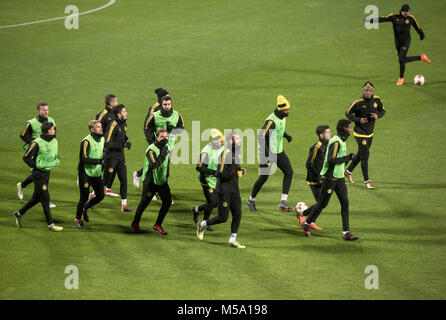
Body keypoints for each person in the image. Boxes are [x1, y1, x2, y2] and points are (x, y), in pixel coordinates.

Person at [299, 119, 358, 241]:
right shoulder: (336, 142)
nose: (350, 130)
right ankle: (307, 224)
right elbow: (331, 160)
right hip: (330, 178)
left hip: (339, 177)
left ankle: (345, 232)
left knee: (345, 203)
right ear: (343, 129)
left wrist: (347, 160)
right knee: (322, 204)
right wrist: (347, 157)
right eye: (349, 128)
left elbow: (338, 160)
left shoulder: (341, 141)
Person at [197, 131, 247, 248]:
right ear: (231, 141)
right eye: (238, 139)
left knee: (238, 214)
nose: (240, 141)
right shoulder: (225, 154)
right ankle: (202, 224)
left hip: (234, 189)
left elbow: (234, 168)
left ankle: (232, 240)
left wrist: (240, 170)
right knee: (223, 218)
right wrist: (235, 173)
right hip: (224, 190)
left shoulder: (237, 152)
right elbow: (220, 173)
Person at [246, 95, 294, 212]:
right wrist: (267, 154)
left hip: (278, 151)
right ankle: (251, 200)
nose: (288, 112)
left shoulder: (282, 117)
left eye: (288, 109)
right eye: (286, 110)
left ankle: (283, 201)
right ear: (280, 110)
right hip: (266, 152)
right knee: (263, 177)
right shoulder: (271, 121)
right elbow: (260, 136)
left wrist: (286, 136)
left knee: (289, 172)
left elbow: (279, 129)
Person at [13, 122, 63, 231]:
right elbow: (26, 157)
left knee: (36, 198)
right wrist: (35, 166)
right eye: (53, 129)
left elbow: (54, 153)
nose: (55, 130)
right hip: (38, 174)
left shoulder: (54, 140)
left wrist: (56, 159)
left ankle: (19, 213)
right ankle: (51, 225)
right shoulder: (36, 143)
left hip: (47, 172)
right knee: (46, 198)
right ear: (48, 131)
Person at [365, 4, 431, 86]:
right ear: (401, 11)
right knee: (401, 60)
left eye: (408, 12)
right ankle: (420, 59)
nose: (406, 14)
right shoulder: (394, 16)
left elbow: (417, 27)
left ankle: (402, 77)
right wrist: (371, 20)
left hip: (406, 41)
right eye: (405, 13)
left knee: (401, 59)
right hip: (397, 42)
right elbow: (383, 19)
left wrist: (421, 35)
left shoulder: (410, 18)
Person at [344, 82, 385, 189]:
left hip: (370, 133)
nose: (368, 92)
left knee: (361, 153)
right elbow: (347, 113)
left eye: (370, 90)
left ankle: (348, 171)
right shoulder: (357, 102)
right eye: (366, 90)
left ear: (373, 92)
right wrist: (358, 120)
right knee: (365, 156)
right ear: (363, 91)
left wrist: (377, 115)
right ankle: (367, 182)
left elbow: (383, 110)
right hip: (359, 133)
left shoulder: (377, 100)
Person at [131, 128, 172, 235]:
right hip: (150, 182)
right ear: (157, 137)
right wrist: (163, 154)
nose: (164, 138)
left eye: (166, 136)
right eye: (162, 137)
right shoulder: (151, 150)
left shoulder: (165, 147)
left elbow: (165, 165)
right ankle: (135, 222)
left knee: (167, 202)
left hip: (161, 181)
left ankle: (158, 224)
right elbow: (154, 165)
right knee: (144, 204)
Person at [17, 101, 57, 208]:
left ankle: (22, 185)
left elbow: (54, 135)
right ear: (38, 111)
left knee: (39, 175)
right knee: (40, 176)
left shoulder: (52, 121)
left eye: (47, 110)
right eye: (43, 110)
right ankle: (45, 200)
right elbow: (23, 136)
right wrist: (34, 141)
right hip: (35, 152)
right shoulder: (30, 123)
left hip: (46, 152)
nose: (46, 112)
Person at [133, 88, 169, 188]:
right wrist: (152, 141)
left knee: (159, 162)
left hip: (164, 139)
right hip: (156, 140)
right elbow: (147, 126)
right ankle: (150, 187)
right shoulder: (154, 108)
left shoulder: (166, 106)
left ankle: (138, 174)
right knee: (155, 163)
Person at [296, 125, 331, 229]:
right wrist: (318, 178)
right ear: (321, 135)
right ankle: (303, 214)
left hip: (324, 178)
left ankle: (309, 220)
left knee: (322, 203)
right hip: (314, 180)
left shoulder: (328, 144)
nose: (330, 134)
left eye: (330, 132)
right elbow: (309, 164)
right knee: (321, 203)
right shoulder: (317, 147)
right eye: (327, 132)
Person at [74, 120, 106, 228]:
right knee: (83, 198)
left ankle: (85, 208)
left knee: (101, 195)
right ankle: (77, 219)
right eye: (98, 127)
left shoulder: (102, 139)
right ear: (92, 129)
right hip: (85, 174)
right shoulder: (86, 141)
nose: (101, 128)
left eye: (101, 126)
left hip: (96, 173)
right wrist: (99, 161)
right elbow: (83, 158)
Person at [103, 104, 134, 212]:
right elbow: (107, 143)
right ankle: (91, 196)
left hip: (120, 157)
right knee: (105, 182)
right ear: (118, 114)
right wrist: (122, 145)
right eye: (124, 112)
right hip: (110, 158)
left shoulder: (124, 124)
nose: (126, 113)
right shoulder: (113, 125)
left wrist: (125, 142)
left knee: (124, 180)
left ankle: (124, 205)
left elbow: (121, 137)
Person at [191, 129, 226, 227]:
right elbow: (199, 167)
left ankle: (196, 210)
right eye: (221, 141)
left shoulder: (222, 148)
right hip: (206, 180)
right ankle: (205, 223)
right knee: (212, 202)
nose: (223, 142)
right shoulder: (206, 152)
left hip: (215, 179)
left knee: (214, 203)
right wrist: (213, 172)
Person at [95, 94, 119, 196]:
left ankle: (108, 189)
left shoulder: (115, 113)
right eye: (116, 101)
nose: (117, 103)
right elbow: (96, 128)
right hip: (104, 145)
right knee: (102, 165)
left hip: (113, 145)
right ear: (111, 103)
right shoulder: (102, 114)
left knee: (113, 166)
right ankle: (86, 178)